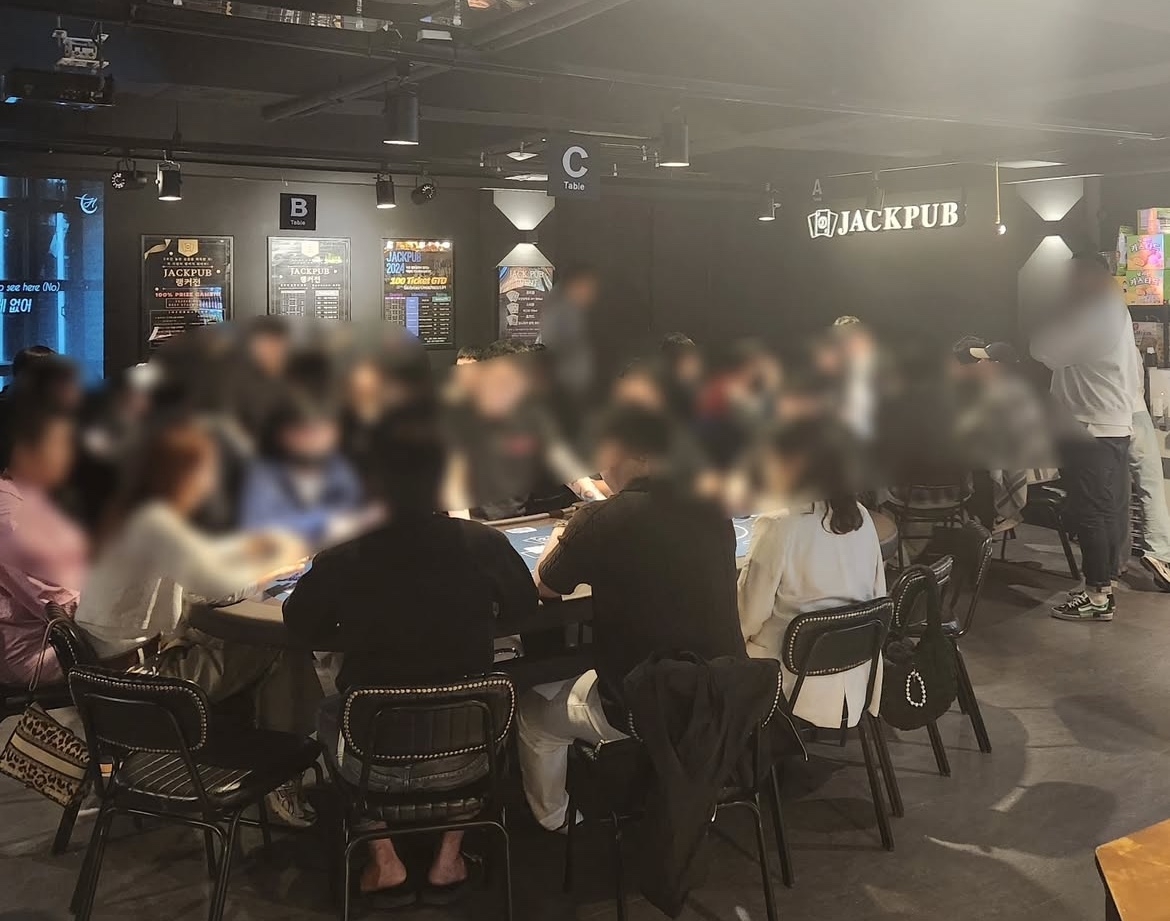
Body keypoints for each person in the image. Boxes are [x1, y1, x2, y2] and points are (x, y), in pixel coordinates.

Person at [283, 417, 537, 905]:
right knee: (477, 709)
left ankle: (385, 861)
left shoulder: (344, 554)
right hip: (470, 753)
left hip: (369, 757)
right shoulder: (482, 544)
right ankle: (449, 858)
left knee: (330, 711)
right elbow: (524, 608)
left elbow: (301, 624)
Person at [74, 421, 320, 823]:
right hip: (146, 683)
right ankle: (286, 766)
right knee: (279, 650)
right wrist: (270, 571)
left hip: (104, 678)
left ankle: (277, 756)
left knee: (255, 651)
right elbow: (215, 588)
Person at [517, 406, 745, 831]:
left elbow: (544, 586)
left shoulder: (604, 519)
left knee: (530, 709)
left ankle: (557, 823)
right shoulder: (713, 508)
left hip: (640, 708)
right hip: (719, 701)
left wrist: (557, 543)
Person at [736, 419, 886, 727]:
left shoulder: (779, 525)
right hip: (857, 675)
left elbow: (748, 617)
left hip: (788, 682)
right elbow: (878, 597)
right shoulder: (863, 519)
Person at [1031, 253, 1139, 622]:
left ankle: (1097, 596)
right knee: (1103, 511)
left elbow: (1043, 349)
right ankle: (1101, 584)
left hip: (1091, 425)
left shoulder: (1097, 313)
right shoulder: (1112, 310)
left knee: (1091, 513)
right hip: (1108, 424)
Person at [0, 405, 89, 686]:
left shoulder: (22, 492)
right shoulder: (11, 516)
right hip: (41, 649)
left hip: (51, 634)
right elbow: (63, 604)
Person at [240, 398, 364, 544]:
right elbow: (255, 529)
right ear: (282, 434)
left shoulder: (339, 467)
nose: (316, 439)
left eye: (324, 430)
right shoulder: (264, 473)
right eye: (306, 431)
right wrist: (323, 522)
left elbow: (353, 512)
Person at [1127, 352, 1170, 591]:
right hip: (1135, 410)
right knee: (1150, 485)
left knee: (1113, 495)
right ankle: (1160, 552)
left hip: (1102, 418)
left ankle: (1115, 562)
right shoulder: (1126, 343)